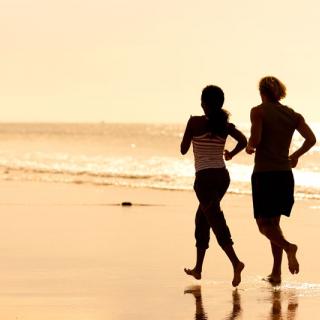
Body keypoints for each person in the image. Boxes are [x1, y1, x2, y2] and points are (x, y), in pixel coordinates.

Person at [246, 76, 316, 284]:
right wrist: (295, 155)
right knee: (274, 224)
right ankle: (276, 273)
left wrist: (249, 145)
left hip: (265, 174)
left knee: (263, 225)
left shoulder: (258, 111)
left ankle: (288, 247)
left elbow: (256, 140)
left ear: (261, 92)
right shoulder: (292, 115)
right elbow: (311, 139)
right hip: (284, 175)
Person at [181, 85, 247, 287]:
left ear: (203, 103)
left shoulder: (194, 122)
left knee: (215, 220)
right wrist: (231, 154)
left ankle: (236, 263)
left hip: (204, 179)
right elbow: (243, 141)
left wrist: (191, 136)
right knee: (202, 219)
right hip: (222, 177)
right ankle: (198, 269)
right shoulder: (224, 125)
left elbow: (183, 150)